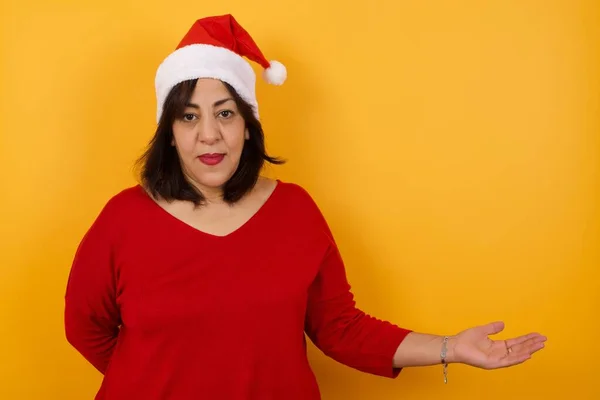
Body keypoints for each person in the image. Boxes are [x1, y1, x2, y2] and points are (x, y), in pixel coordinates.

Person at [63, 14, 546, 400]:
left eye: (225, 113)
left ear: (248, 126)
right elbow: (87, 331)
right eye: (188, 116)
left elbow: (340, 328)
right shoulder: (124, 219)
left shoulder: (294, 211)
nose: (208, 134)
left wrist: (450, 348)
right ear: (169, 132)